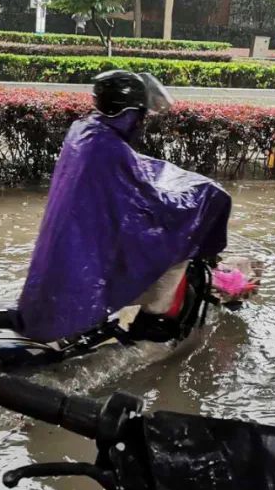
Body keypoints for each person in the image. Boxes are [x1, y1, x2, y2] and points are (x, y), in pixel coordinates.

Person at [16, 70, 232, 343]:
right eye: (141, 114)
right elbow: (149, 200)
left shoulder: (85, 130)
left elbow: (135, 175)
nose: (142, 121)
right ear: (130, 113)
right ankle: (155, 321)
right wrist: (196, 202)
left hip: (74, 240)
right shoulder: (109, 148)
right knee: (177, 249)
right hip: (90, 247)